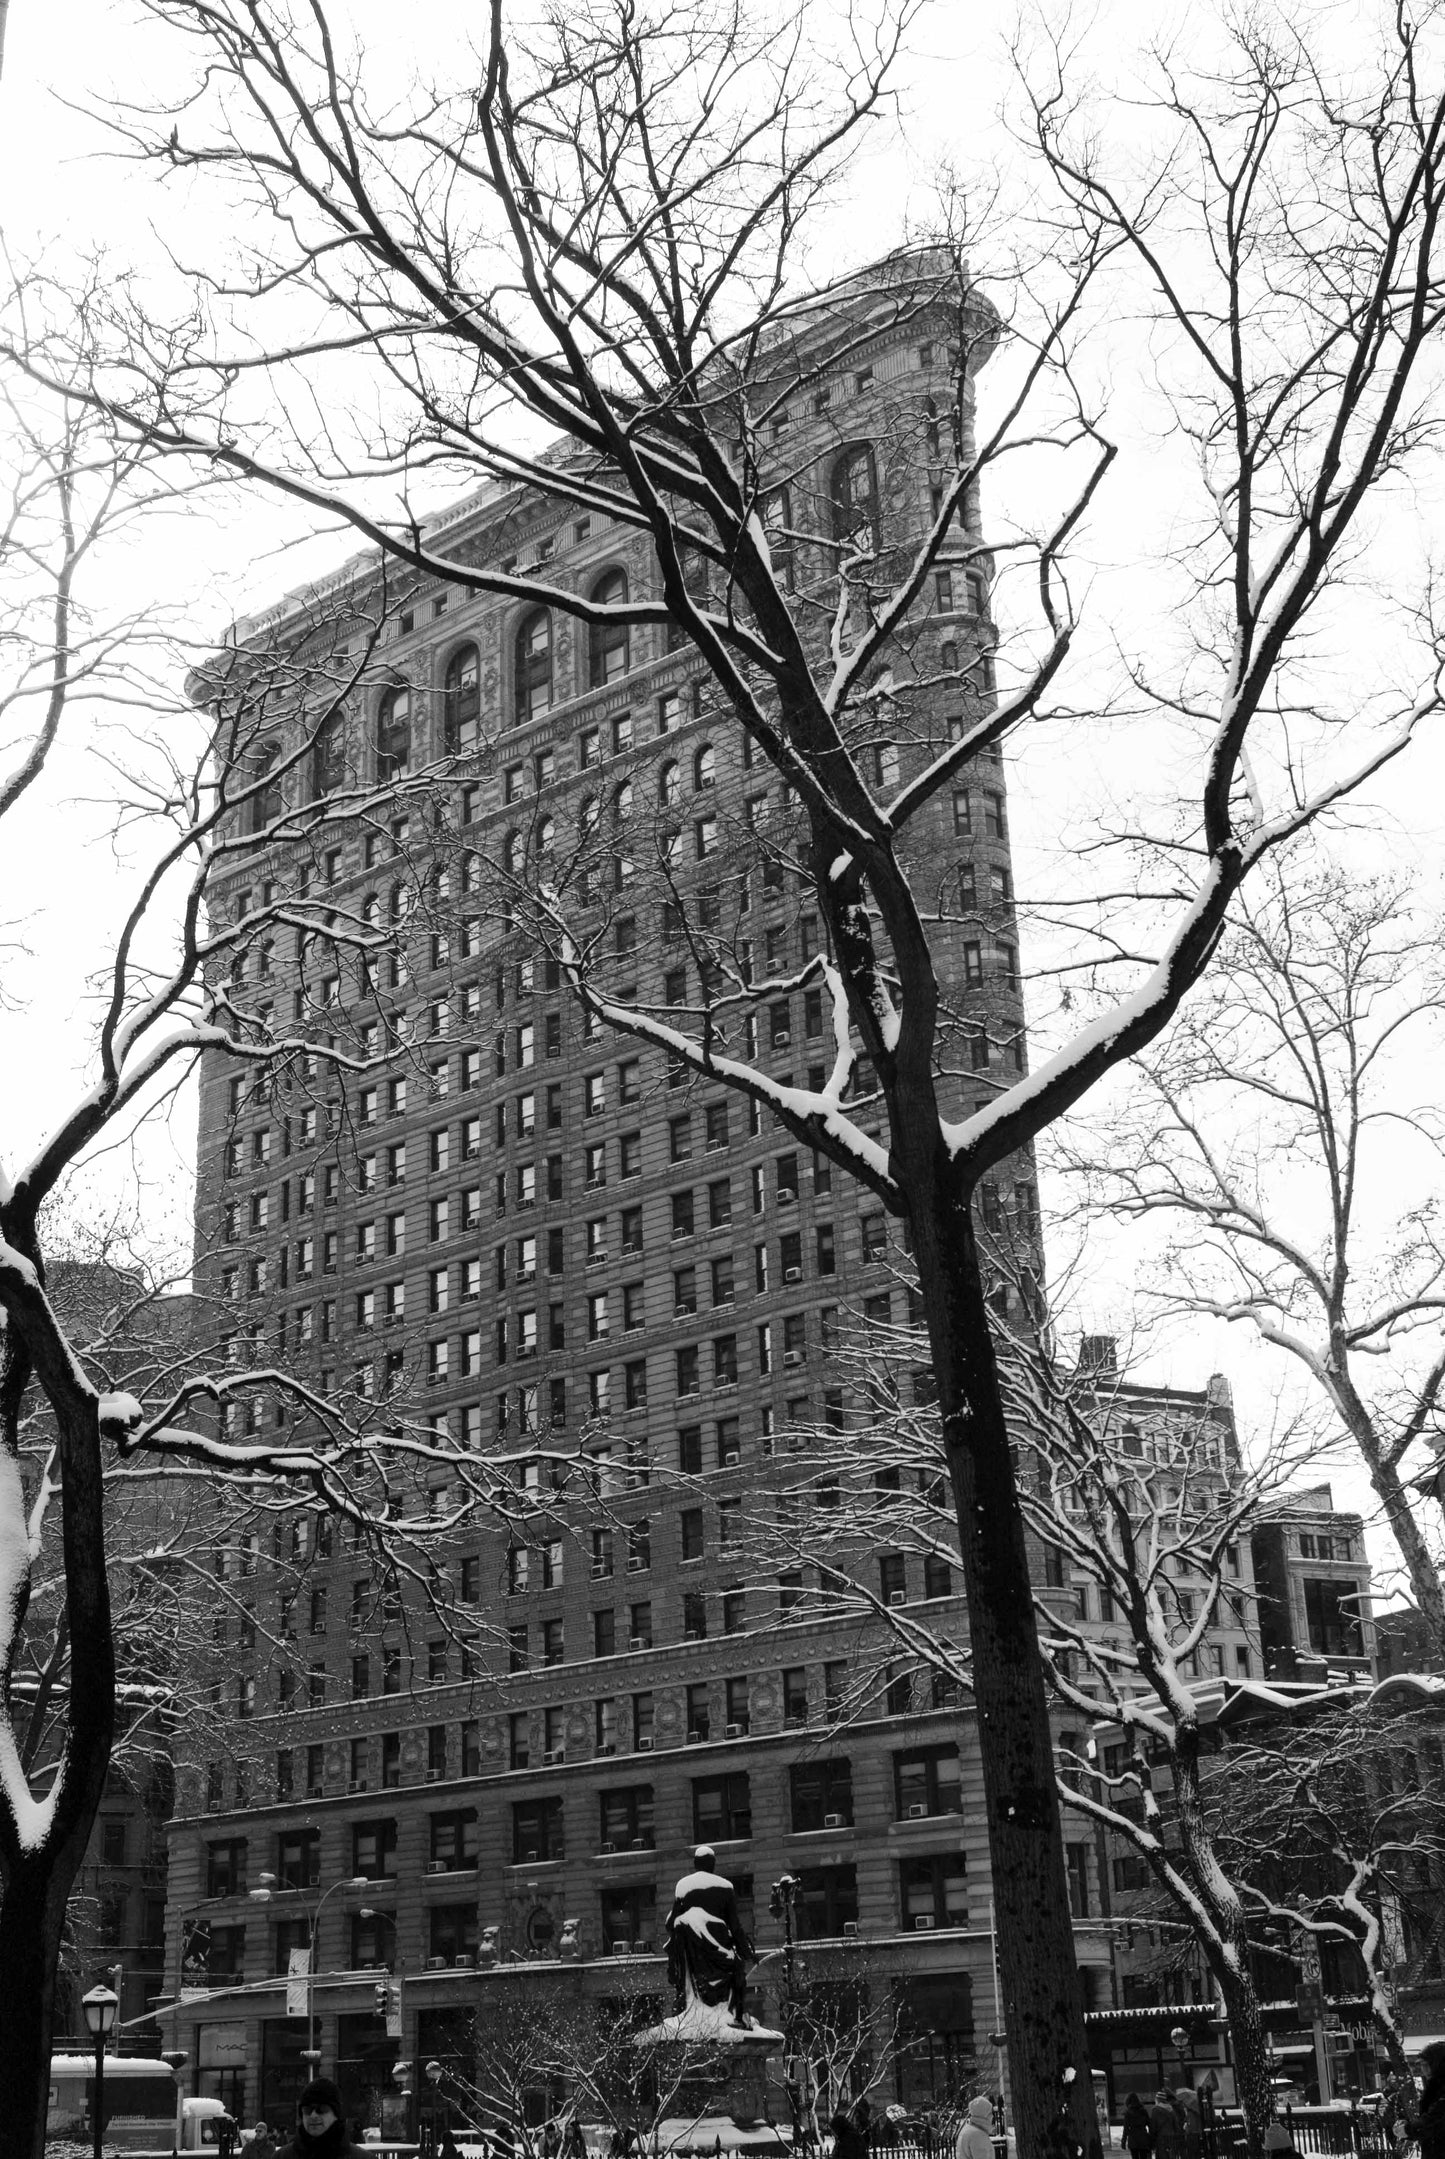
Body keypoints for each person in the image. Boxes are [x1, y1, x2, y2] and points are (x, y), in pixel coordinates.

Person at [663, 1845, 756, 2024]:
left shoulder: (684, 1887)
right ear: (713, 1864)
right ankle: (736, 2016)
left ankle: (689, 2010)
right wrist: (746, 1952)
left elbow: (670, 1923)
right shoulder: (725, 1887)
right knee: (738, 1972)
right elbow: (735, 1926)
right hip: (720, 1950)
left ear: (696, 1864)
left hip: (692, 1955)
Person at [279, 2079, 366, 2159]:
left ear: (336, 2114)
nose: (313, 2115)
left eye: (322, 2109)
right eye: (307, 2110)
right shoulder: (281, 2157)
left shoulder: (362, 2157)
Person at [1400, 2041, 1445, 2159]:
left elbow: (1435, 2119)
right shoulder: (1434, 2087)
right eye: (1421, 2065)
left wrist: (1408, 2130)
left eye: (1426, 2065)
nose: (1423, 2070)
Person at [1147, 2089, 1180, 2159]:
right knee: (1171, 2156)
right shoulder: (1171, 2109)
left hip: (1160, 2138)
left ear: (1158, 2100)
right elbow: (1176, 2125)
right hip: (1171, 2137)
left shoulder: (1155, 2110)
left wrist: (1152, 2139)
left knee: (1162, 2156)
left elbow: (1153, 2126)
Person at [1121, 2093, 1154, 2158]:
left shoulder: (1128, 2113)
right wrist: (1151, 2139)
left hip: (1133, 2140)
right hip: (1143, 2138)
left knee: (1134, 2157)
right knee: (1144, 2156)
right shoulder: (1143, 2111)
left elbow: (1126, 2129)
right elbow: (1150, 2125)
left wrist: (1123, 2141)